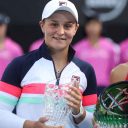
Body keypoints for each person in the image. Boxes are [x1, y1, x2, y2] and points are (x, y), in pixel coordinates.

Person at [0, 0, 97, 128]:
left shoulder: (85, 70)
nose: (61, 31)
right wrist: (30, 125)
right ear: (42, 25)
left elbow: (94, 124)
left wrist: (79, 112)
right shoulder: (20, 65)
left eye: (68, 26)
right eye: (54, 24)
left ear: (76, 29)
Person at [73, 16, 119, 95]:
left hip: (104, 88)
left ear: (101, 26)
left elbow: (114, 69)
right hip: (84, 87)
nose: (93, 28)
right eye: (90, 25)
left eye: (95, 25)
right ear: (85, 27)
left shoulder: (110, 47)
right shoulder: (78, 48)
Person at [0, 13, 23, 79]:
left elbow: (21, 70)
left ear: (6, 27)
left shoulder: (14, 48)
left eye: (0, 25)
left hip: (7, 87)